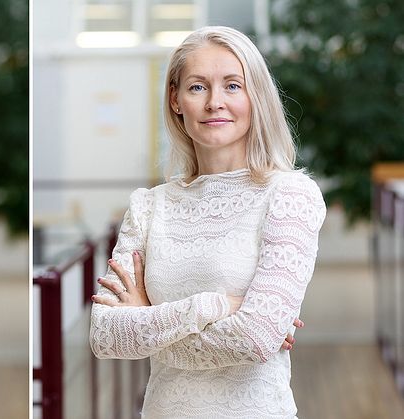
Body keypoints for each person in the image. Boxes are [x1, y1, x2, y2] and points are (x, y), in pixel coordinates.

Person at [90, 26, 326, 418]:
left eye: (233, 86)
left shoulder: (289, 195)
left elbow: (255, 338)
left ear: (256, 97)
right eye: (198, 87)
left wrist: (148, 321)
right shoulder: (149, 206)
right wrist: (216, 305)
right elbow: (105, 336)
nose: (215, 102)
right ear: (176, 99)